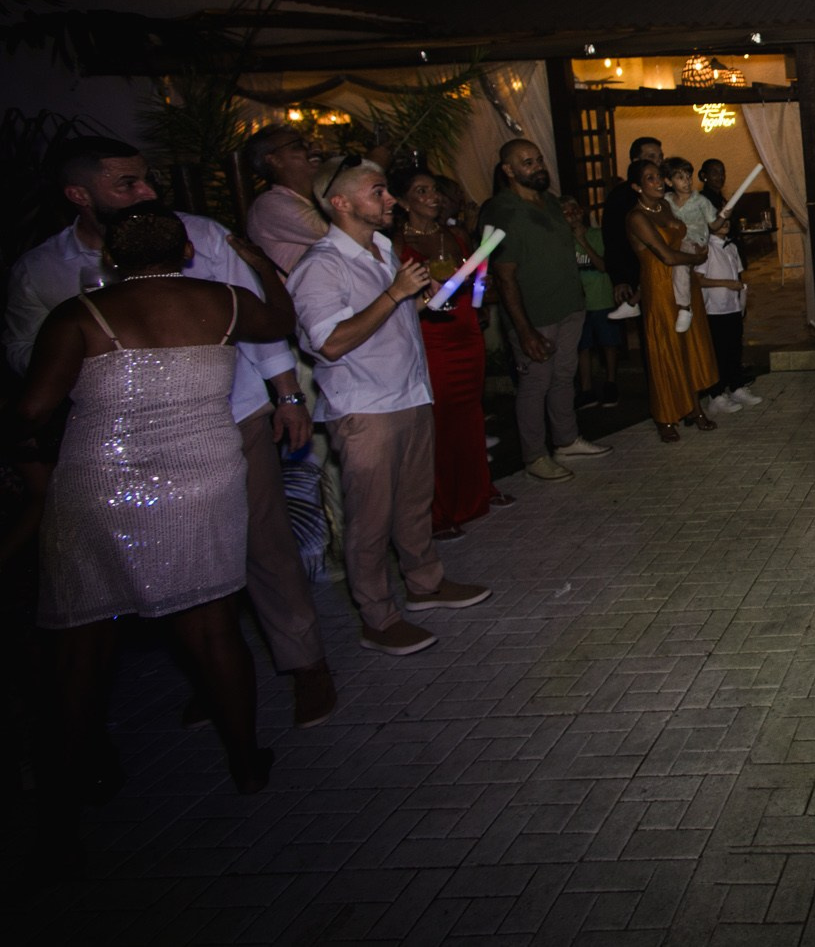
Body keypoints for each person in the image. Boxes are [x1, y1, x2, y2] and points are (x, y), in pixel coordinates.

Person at [7, 137, 335, 728]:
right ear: (79, 195)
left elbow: (258, 319)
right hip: (113, 450)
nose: (148, 191)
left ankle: (306, 666)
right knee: (151, 575)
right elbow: (24, 356)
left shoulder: (202, 235)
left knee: (264, 547)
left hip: (228, 420)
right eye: (126, 184)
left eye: (146, 178)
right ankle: (209, 683)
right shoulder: (41, 270)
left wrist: (286, 393)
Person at [15, 205, 299, 796]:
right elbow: (280, 321)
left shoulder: (79, 314)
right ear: (188, 251)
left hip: (101, 481)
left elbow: (33, 410)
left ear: (111, 258)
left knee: (81, 643)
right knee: (215, 628)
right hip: (204, 477)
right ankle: (247, 765)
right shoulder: (225, 300)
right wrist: (259, 265)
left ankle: (65, 803)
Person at [289, 157, 491, 657]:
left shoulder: (381, 248)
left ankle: (425, 584)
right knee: (370, 519)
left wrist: (422, 299)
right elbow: (329, 344)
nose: (391, 201)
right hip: (365, 406)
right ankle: (377, 616)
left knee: (413, 502)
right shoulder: (320, 266)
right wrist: (395, 293)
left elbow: (399, 310)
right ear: (340, 203)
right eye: (378, 192)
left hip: (410, 391)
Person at [477, 140, 611, 481]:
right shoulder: (500, 211)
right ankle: (534, 455)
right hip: (535, 315)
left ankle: (566, 440)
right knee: (535, 384)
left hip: (569, 305)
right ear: (509, 170)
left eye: (538, 160)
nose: (537, 166)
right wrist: (523, 330)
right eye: (527, 162)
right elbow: (504, 276)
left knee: (563, 378)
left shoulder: (550, 201)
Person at [391, 168, 504, 540]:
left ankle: (476, 493)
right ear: (404, 201)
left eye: (435, 190)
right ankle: (438, 511)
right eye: (421, 190)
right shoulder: (394, 242)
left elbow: (478, 274)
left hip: (464, 328)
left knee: (470, 412)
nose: (433, 196)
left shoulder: (454, 235)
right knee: (437, 420)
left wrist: (478, 296)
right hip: (430, 334)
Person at [625, 159, 719, 439]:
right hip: (659, 284)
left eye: (659, 177)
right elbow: (664, 254)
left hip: (683, 280)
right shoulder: (636, 217)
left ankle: (693, 407)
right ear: (636, 186)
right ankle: (665, 415)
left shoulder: (665, 206)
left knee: (689, 345)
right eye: (650, 178)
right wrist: (698, 257)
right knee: (665, 349)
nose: (658, 182)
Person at [241, 124, 331, 273]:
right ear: (274, 160)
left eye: (308, 143)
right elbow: (346, 232)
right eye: (298, 146)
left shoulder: (321, 198)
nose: (314, 148)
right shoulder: (269, 206)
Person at [696, 211, 760, 415]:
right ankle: (716, 395)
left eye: (726, 219)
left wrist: (740, 295)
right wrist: (726, 284)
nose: (724, 223)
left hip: (732, 306)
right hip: (714, 309)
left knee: (734, 348)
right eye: (718, 219)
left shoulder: (731, 247)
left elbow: (737, 273)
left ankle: (736, 386)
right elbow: (698, 279)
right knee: (718, 351)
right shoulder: (706, 249)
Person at [563, 195, 623, 409]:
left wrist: (582, 240)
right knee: (583, 346)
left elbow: (602, 265)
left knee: (608, 344)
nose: (571, 215)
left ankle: (611, 384)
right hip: (578, 303)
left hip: (601, 299)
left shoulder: (597, 235)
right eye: (565, 212)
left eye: (574, 209)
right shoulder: (561, 241)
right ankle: (587, 390)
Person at [602, 137, 664, 320]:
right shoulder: (620, 196)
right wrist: (620, 278)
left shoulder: (666, 192)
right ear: (636, 161)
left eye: (660, 157)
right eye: (652, 156)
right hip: (636, 271)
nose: (658, 161)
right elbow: (613, 239)